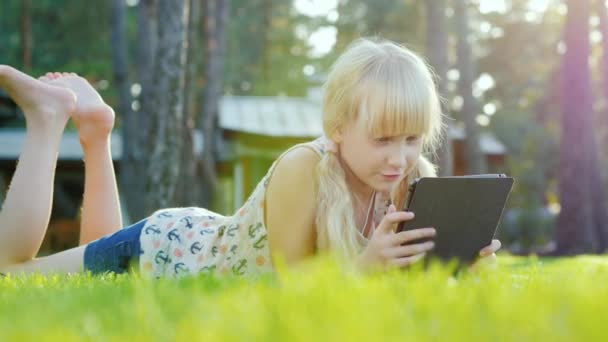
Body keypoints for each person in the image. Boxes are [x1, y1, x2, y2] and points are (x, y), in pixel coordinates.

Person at [0, 38, 501, 278]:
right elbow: (287, 290)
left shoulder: (406, 180)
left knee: (95, 279)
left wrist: (456, 269)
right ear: (338, 128)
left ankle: (96, 134)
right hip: (169, 251)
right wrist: (366, 267)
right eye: (383, 139)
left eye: (412, 139)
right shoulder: (303, 166)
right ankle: (47, 118)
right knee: (9, 276)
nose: (399, 157)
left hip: (197, 237)